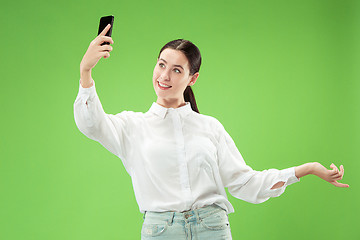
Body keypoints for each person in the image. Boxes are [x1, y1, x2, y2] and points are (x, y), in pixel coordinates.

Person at [73, 24, 349, 240]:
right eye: (161, 65)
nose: (164, 76)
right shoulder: (131, 126)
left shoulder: (210, 128)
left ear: (192, 78)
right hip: (160, 232)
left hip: (213, 229)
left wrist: (309, 168)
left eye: (176, 69)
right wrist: (86, 71)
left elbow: (245, 183)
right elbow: (91, 123)